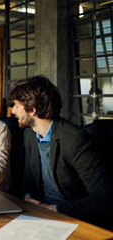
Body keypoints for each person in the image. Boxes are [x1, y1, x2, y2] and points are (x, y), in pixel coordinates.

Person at [8, 75, 113, 229]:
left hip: (74, 220)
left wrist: (52, 209)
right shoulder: (29, 134)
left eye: (17, 105)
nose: (13, 111)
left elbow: (104, 199)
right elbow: (28, 174)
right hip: (41, 216)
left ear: (33, 109)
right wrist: (28, 197)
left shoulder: (75, 139)